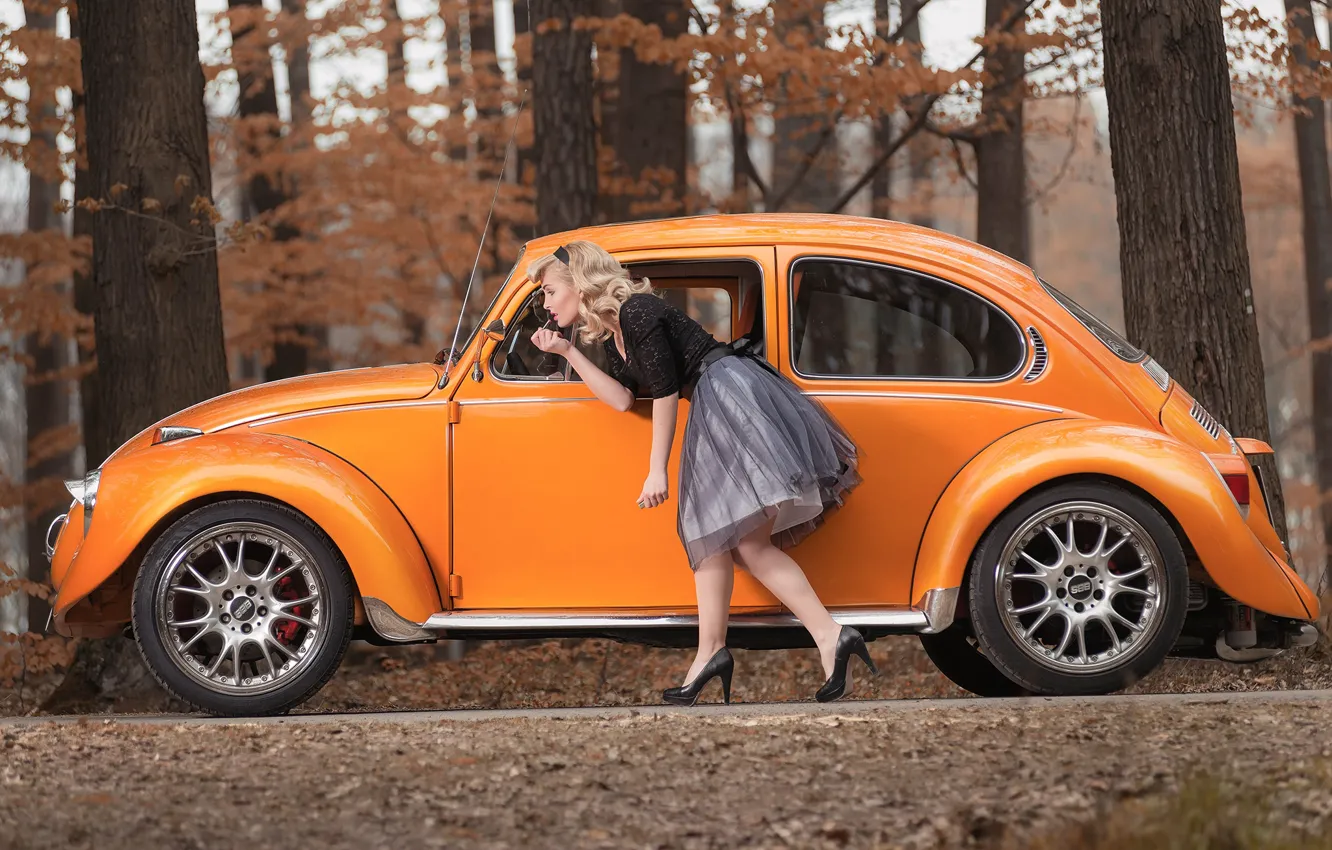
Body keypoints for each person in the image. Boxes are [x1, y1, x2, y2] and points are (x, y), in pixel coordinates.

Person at [527, 240, 872, 705]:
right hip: (716, 400)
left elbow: (667, 392)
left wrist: (657, 471)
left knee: (743, 541)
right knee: (715, 535)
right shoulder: (615, 330)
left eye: (549, 291)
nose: (545, 303)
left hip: (728, 395)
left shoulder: (638, 311)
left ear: (579, 282)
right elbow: (623, 399)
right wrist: (568, 353)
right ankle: (723, 651)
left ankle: (822, 635)